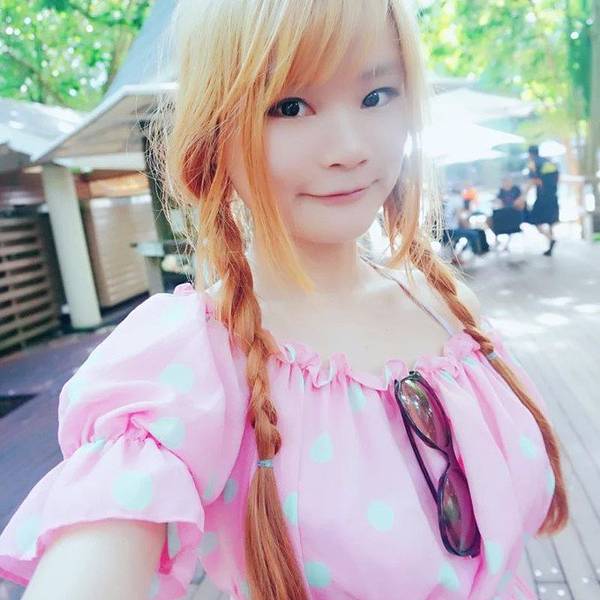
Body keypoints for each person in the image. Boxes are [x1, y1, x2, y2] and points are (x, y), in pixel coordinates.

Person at [0, 2, 568, 600]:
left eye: (377, 95)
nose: (350, 147)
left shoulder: (446, 307)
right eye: (289, 106)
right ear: (215, 135)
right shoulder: (196, 356)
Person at [524, 145, 560, 256]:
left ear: (530, 154)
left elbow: (532, 181)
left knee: (534, 219)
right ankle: (550, 246)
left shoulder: (533, 163)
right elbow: (557, 178)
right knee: (550, 222)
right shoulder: (549, 162)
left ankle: (551, 239)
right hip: (553, 196)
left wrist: (523, 196)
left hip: (542, 197)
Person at [442, 187, 488, 264]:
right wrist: (468, 228)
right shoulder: (457, 200)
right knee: (473, 234)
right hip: (450, 231)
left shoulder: (449, 201)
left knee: (472, 232)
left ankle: (456, 255)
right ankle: (477, 255)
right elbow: (461, 218)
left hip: (445, 231)